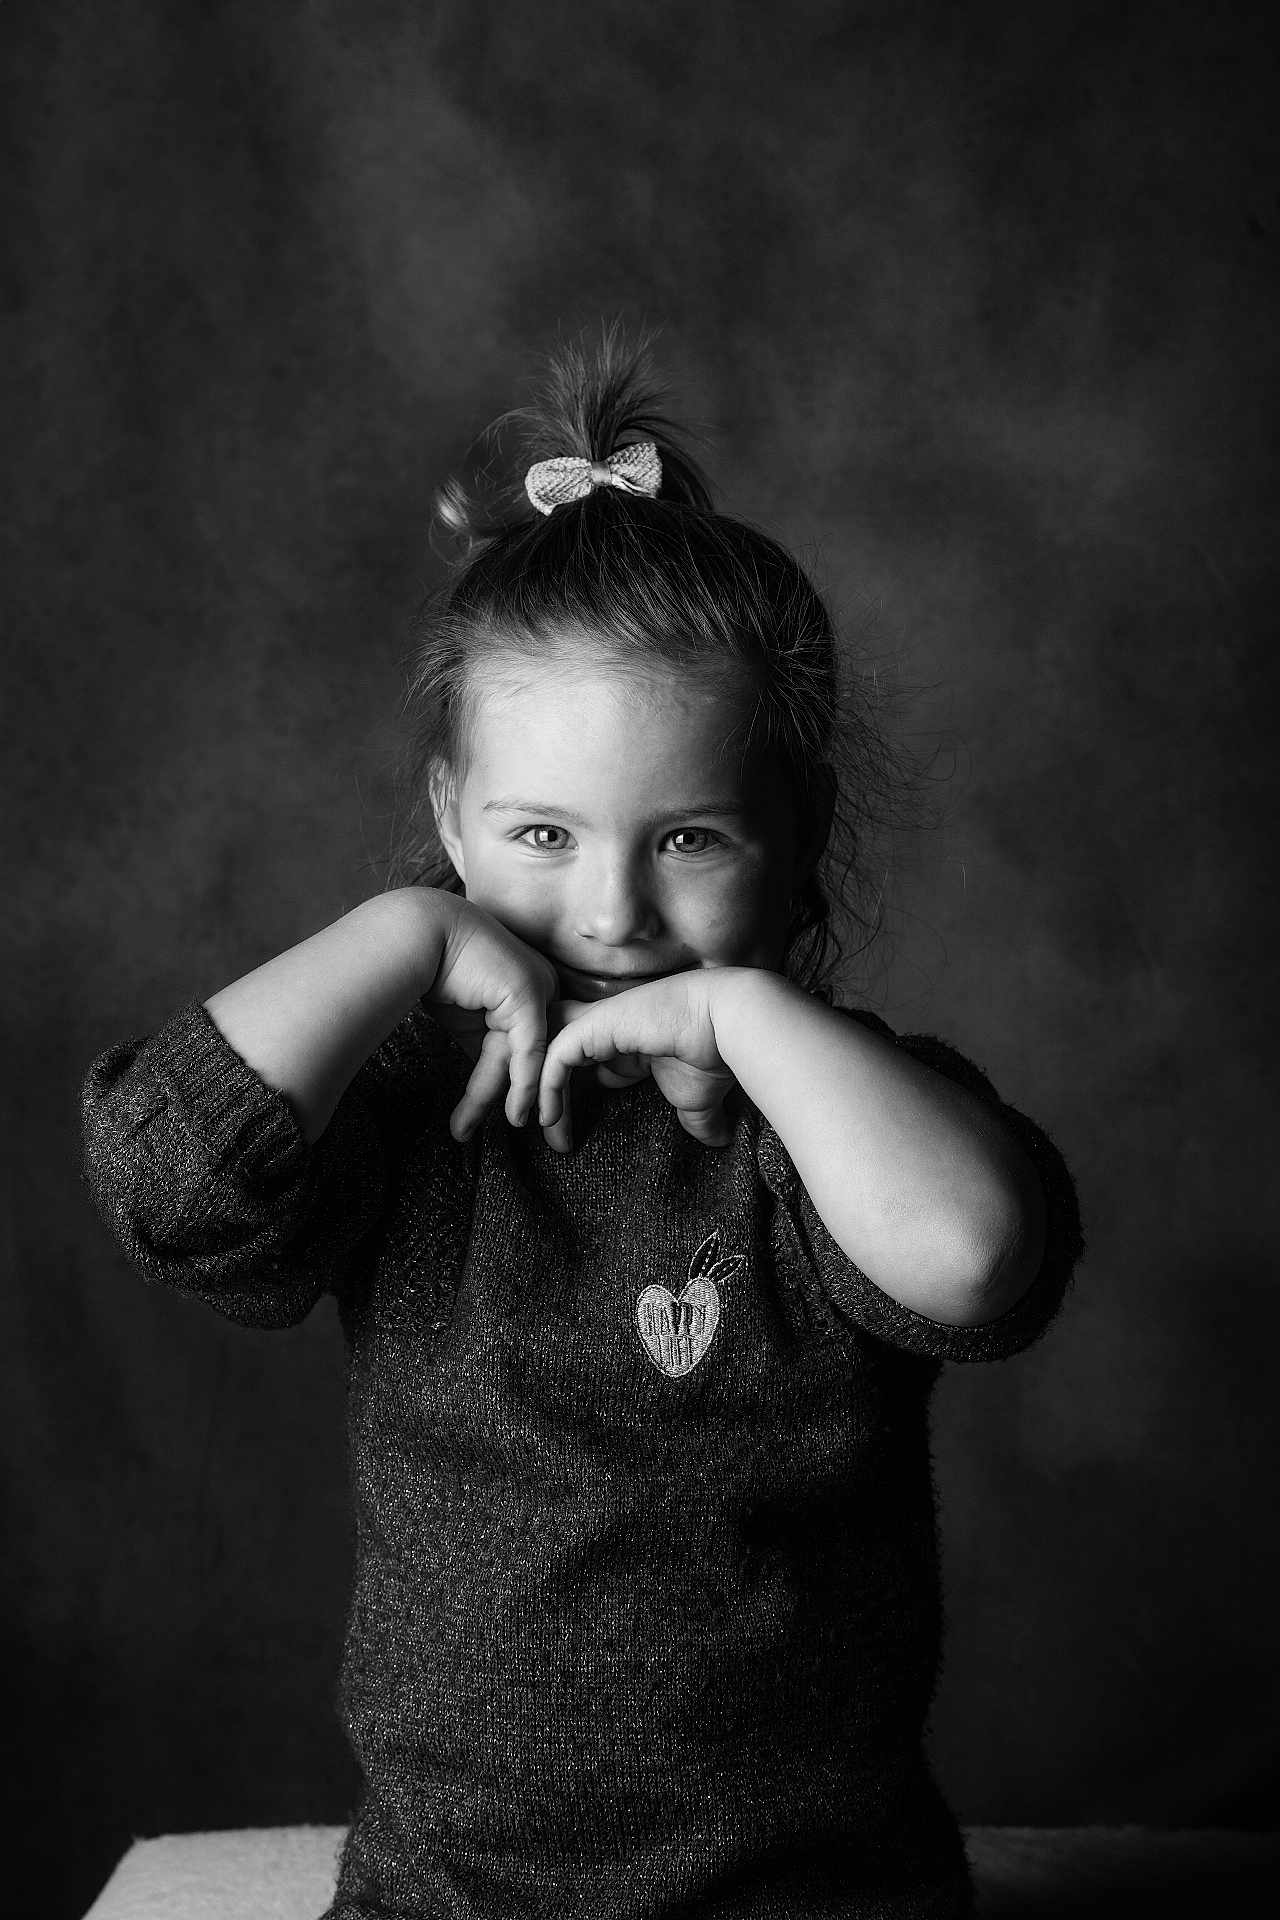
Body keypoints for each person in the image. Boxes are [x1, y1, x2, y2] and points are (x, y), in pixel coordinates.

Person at [82, 328, 1082, 1919]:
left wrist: (746, 1017)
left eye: (686, 835)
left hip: (815, 1892)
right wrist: (400, 939)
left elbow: (979, 1261)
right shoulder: (409, 1104)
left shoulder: (825, 1116)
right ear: (449, 822)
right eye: (540, 833)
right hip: (452, 1892)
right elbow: (164, 1182)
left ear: (795, 833)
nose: (612, 909)